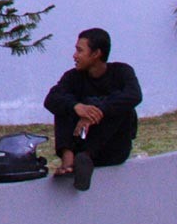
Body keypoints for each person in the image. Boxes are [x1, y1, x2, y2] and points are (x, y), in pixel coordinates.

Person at [40, 27, 141, 192]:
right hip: (80, 145)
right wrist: (77, 108)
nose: (75, 55)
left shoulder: (122, 72)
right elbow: (51, 99)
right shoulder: (72, 77)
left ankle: (85, 157)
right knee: (64, 102)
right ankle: (68, 160)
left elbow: (134, 95)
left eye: (80, 51)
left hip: (112, 149)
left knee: (121, 106)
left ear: (96, 54)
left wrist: (95, 111)